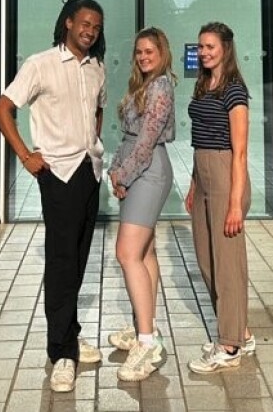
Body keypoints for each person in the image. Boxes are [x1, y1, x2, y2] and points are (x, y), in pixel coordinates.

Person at [0, 0, 106, 393]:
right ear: (68, 23)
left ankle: (69, 333)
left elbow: (97, 111)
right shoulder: (40, 64)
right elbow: (2, 108)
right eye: (85, 23)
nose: (90, 31)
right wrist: (26, 155)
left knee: (78, 259)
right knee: (61, 262)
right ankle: (61, 352)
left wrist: (93, 144)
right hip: (57, 174)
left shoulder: (96, 68)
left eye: (96, 27)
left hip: (89, 171)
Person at [185, 22, 255, 374]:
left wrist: (234, 204)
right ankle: (241, 332)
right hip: (203, 175)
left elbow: (239, 152)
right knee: (206, 260)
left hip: (227, 177)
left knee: (228, 265)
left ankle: (229, 346)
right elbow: (200, 138)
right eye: (201, 47)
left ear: (225, 48)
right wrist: (193, 183)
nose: (204, 52)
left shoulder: (234, 91)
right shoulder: (203, 85)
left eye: (210, 46)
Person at [107, 27, 176, 381]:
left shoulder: (161, 86)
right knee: (145, 252)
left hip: (148, 171)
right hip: (136, 167)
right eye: (139, 51)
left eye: (150, 51)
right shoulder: (142, 84)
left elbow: (147, 141)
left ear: (162, 53)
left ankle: (147, 343)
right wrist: (115, 168)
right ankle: (145, 327)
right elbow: (129, 137)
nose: (143, 56)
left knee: (126, 253)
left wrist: (123, 175)